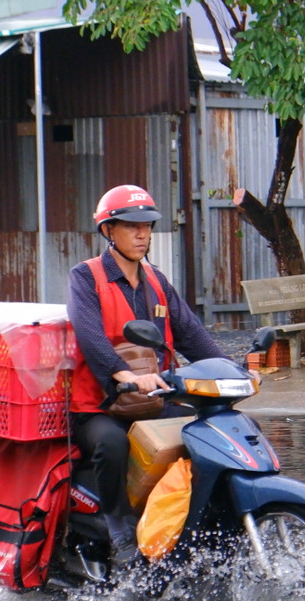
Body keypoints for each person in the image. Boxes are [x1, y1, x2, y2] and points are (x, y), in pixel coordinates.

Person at [66, 184, 229, 567]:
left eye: (147, 226)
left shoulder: (156, 280)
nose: (143, 234)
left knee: (203, 431)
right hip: (99, 405)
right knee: (112, 444)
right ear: (108, 231)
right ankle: (118, 525)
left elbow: (190, 333)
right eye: (131, 226)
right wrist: (123, 374)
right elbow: (89, 335)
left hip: (151, 398)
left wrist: (228, 370)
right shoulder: (85, 277)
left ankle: (192, 518)